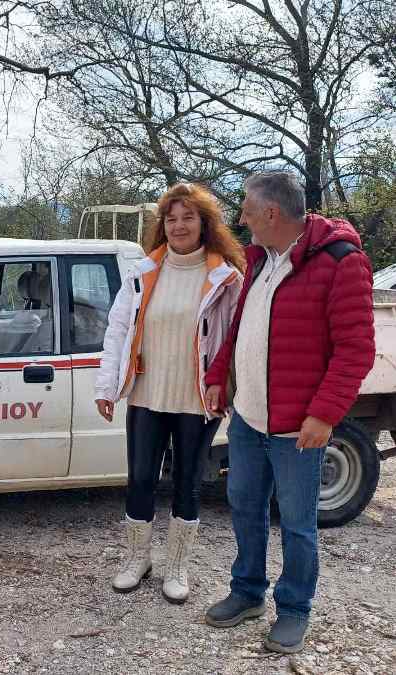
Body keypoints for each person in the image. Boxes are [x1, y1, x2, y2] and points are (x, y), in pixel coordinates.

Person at [203, 172, 375, 653]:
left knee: (297, 524)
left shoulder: (341, 262)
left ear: (271, 213)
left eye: (246, 209)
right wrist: (219, 375)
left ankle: (295, 609)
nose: (242, 218)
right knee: (245, 506)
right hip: (248, 418)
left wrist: (324, 415)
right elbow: (240, 329)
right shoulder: (260, 259)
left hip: (297, 427)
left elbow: (356, 351)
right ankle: (247, 592)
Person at [94, 182, 245, 604]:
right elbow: (118, 331)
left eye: (188, 218)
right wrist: (106, 385)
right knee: (141, 479)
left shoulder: (226, 278)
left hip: (196, 398)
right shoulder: (142, 273)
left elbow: (234, 340)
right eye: (171, 219)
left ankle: (177, 567)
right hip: (146, 393)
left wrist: (225, 386)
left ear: (204, 223)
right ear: (162, 225)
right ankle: (137, 558)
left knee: (187, 483)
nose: (178, 226)